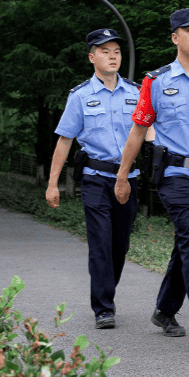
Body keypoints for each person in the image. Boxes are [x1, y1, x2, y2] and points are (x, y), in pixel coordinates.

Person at [115, 7, 189, 351]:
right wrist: (122, 176)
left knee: (187, 244)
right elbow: (137, 131)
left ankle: (165, 310)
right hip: (174, 175)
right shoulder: (157, 81)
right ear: (176, 37)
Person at [46, 28, 141, 330]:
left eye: (116, 51)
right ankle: (103, 307)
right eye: (104, 51)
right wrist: (52, 183)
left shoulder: (136, 93)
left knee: (119, 245)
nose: (112, 56)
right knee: (101, 242)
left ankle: (106, 291)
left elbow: (148, 133)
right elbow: (64, 140)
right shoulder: (81, 96)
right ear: (92, 57)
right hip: (96, 178)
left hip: (129, 178)